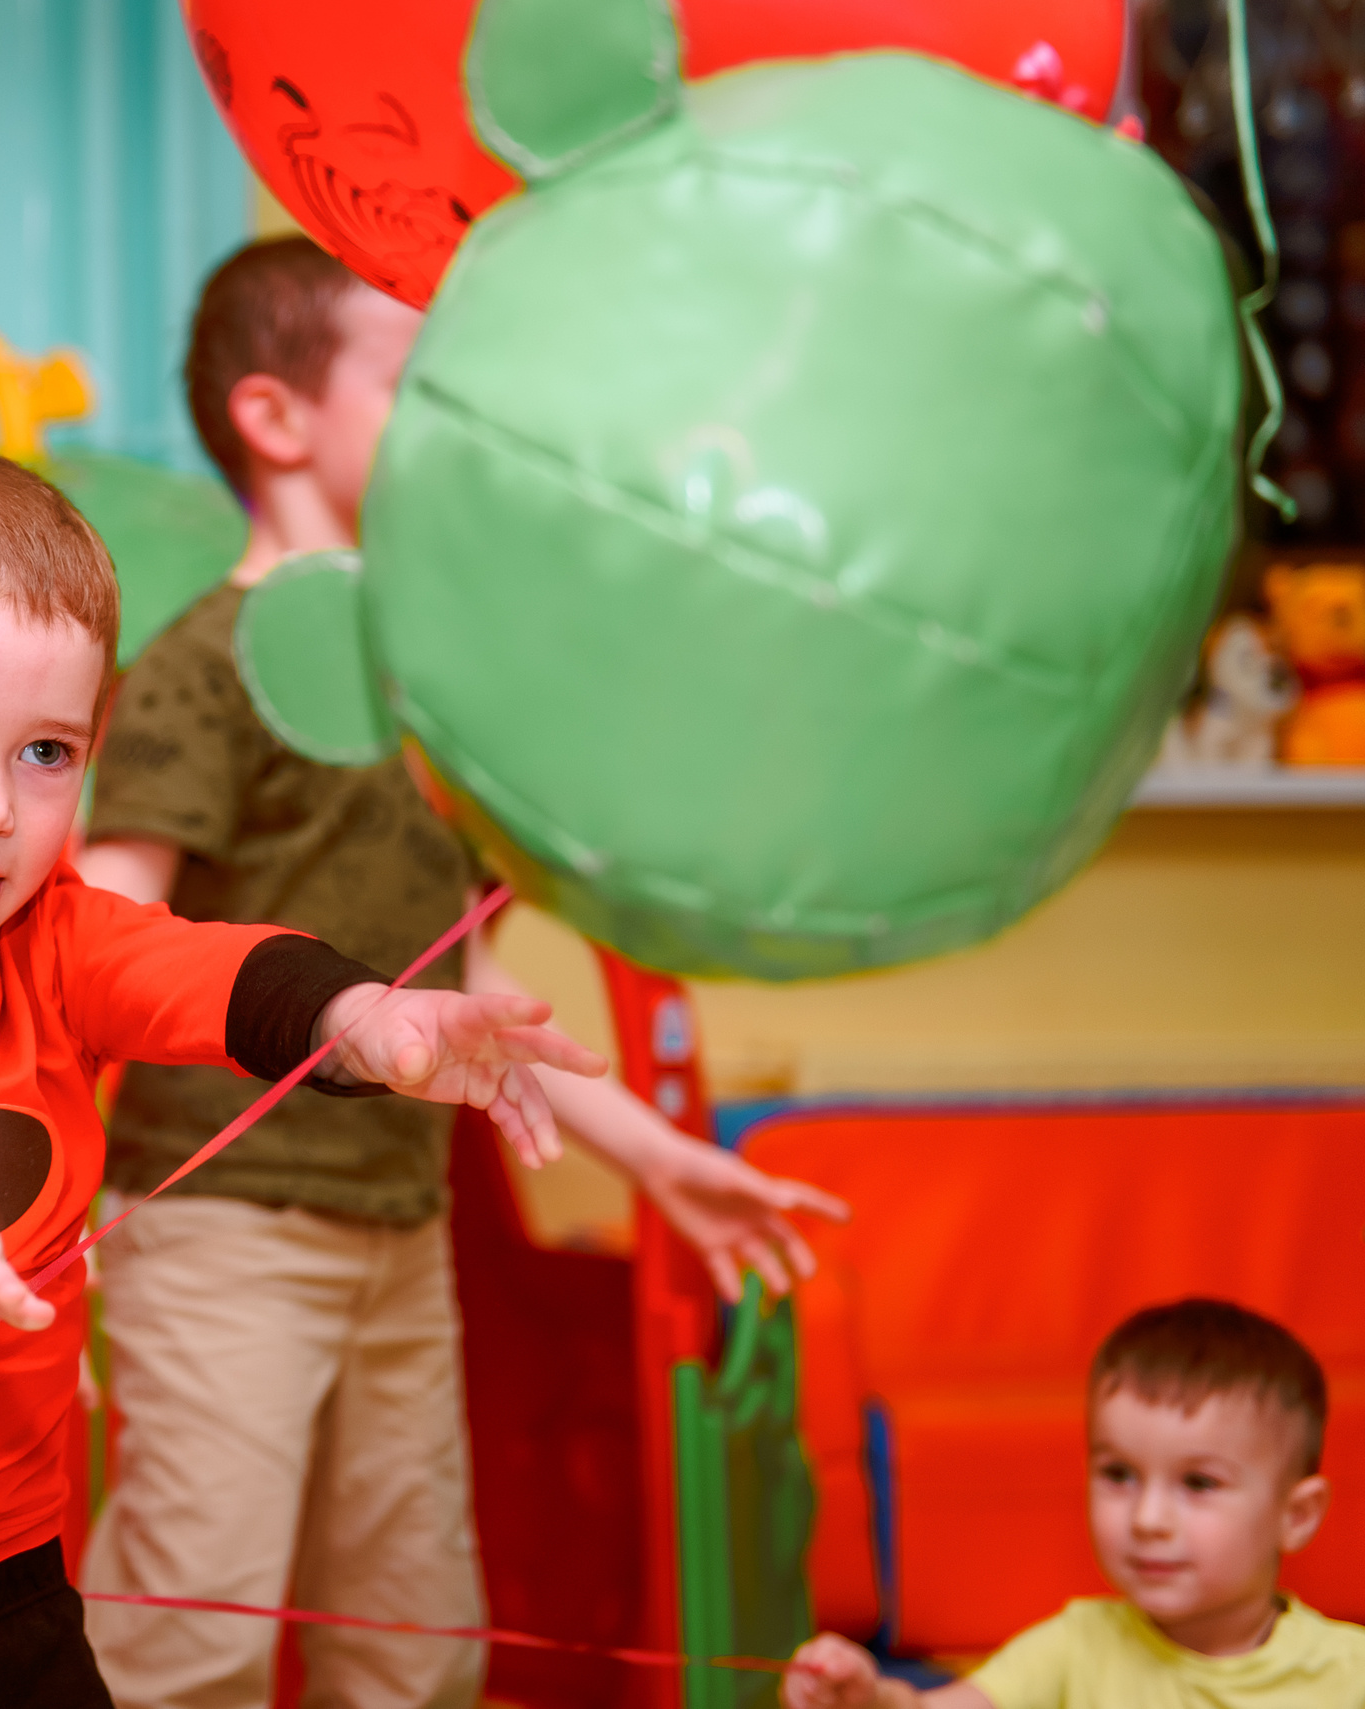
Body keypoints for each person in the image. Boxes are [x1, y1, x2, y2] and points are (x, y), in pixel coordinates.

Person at [0, 445, 611, 1709]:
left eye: (45, 753)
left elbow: (204, 969)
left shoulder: (54, 937)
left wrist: (363, 1015)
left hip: (15, 1583)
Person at [76, 236, 850, 1709]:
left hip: (400, 1232)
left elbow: (476, 996)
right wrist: (38, 1206)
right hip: (222, 1235)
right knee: (194, 1640)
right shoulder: (201, 668)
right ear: (278, 419)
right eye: (412, 376)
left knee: (418, 1644)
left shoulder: (424, 691)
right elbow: (103, 947)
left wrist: (658, 1158)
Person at [783, 1298, 1363, 1708]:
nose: (1147, 1520)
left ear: (1296, 1516)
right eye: (1119, 1474)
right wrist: (866, 1697)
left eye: (1199, 1484)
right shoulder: (1076, 1645)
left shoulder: (1348, 1672)